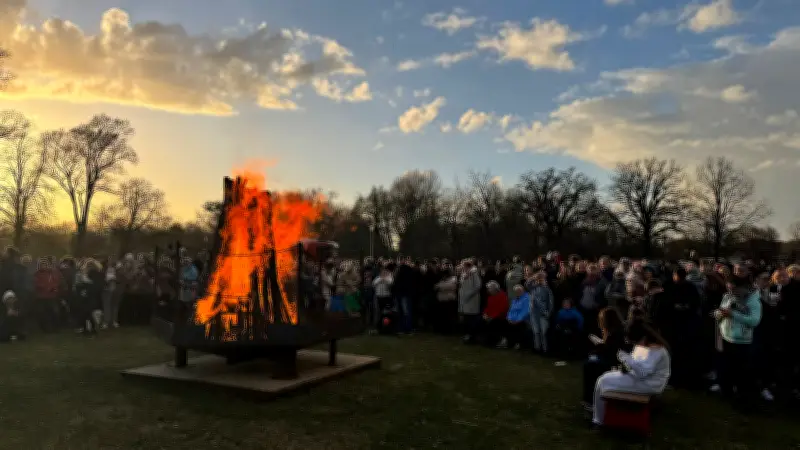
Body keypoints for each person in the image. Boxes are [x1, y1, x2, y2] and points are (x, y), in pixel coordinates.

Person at [592, 320, 671, 427]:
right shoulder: (643, 345)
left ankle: (599, 420)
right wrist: (624, 365)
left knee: (603, 381)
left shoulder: (657, 351)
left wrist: (627, 359)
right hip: (639, 378)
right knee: (603, 378)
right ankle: (600, 417)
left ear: (644, 337)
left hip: (650, 384)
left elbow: (642, 372)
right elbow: (635, 365)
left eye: (636, 341)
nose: (636, 344)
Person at [710, 271, 762, 404]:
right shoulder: (727, 296)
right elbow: (720, 311)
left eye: (732, 287)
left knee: (741, 372)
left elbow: (754, 321)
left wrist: (733, 314)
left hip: (742, 341)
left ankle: (742, 398)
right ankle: (726, 393)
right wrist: (719, 313)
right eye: (728, 286)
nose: (729, 290)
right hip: (725, 337)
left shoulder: (753, 300)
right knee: (725, 369)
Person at [582, 307, 627, 409]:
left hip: (613, 362)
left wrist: (598, 344)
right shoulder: (614, 331)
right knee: (590, 361)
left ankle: (589, 400)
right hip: (611, 359)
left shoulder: (616, 333)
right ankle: (589, 398)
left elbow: (610, 351)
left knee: (589, 365)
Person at [458, 259, 482, 343]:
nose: (462, 267)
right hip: (464, 300)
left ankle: (473, 337)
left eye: (463, 265)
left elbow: (478, 286)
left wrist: (468, 294)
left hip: (472, 300)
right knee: (466, 319)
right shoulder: (463, 274)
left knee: (472, 319)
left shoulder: (474, 274)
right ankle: (467, 335)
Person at [530, 271, 554, 353]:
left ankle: (545, 349)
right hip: (534, 313)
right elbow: (527, 284)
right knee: (536, 331)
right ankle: (537, 348)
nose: (539, 280)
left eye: (541, 278)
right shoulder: (533, 287)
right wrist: (534, 277)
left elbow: (551, 302)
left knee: (544, 332)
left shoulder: (547, 289)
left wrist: (548, 312)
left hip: (544, 313)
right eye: (538, 278)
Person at [479, 280, 508, 346]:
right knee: (481, 320)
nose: (488, 290)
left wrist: (492, 317)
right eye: (488, 289)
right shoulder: (490, 297)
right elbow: (487, 308)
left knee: (493, 323)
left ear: (495, 289)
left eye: (489, 289)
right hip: (491, 317)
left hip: (500, 318)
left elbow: (502, 310)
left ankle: (496, 340)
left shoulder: (503, 296)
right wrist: (485, 314)